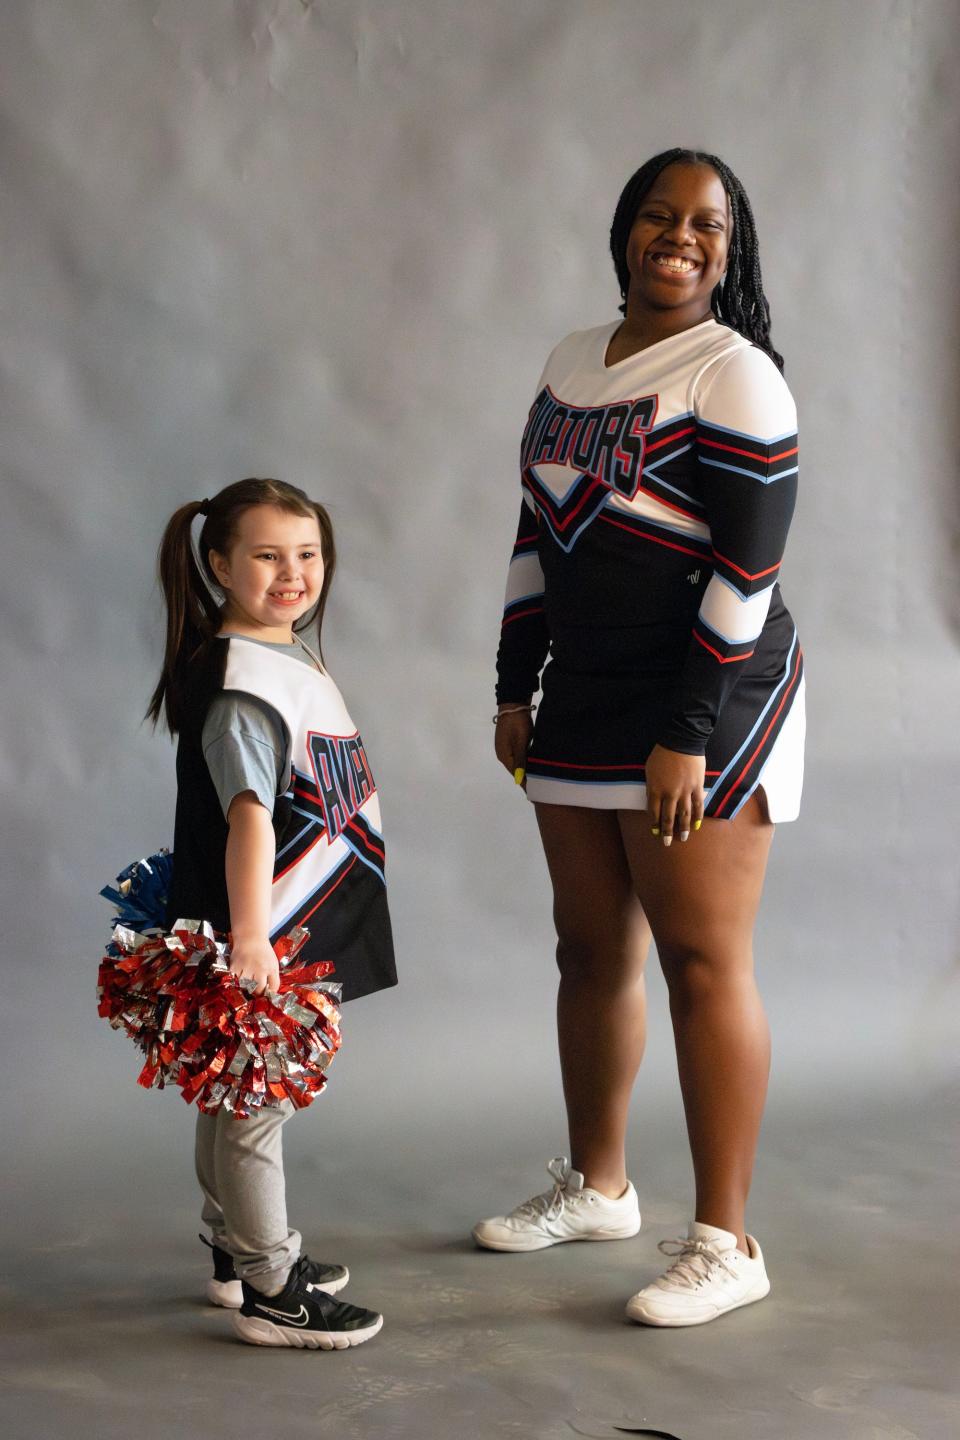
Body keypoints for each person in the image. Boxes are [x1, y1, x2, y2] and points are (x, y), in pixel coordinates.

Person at [473, 149, 804, 1328]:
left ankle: (728, 1241)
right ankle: (599, 1187)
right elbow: (536, 532)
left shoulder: (737, 373)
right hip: (588, 694)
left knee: (702, 962)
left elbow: (748, 569)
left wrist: (689, 731)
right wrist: (517, 681)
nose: (681, 236)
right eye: (659, 215)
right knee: (587, 949)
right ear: (624, 230)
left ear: (732, 246)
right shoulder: (572, 357)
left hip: (708, 702)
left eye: (707, 223)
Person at [146, 477, 397, 1349]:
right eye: (266, 555)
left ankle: (234, 1247)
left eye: (307, 554)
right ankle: (272, 1288)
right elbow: (248, 816)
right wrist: (251, 936)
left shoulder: (276, 651)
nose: (292, 573)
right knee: (256, 1105)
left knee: (230, 1099)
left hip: (286, 915)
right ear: (218, 565)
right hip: (265, 924)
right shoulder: (244, 681)